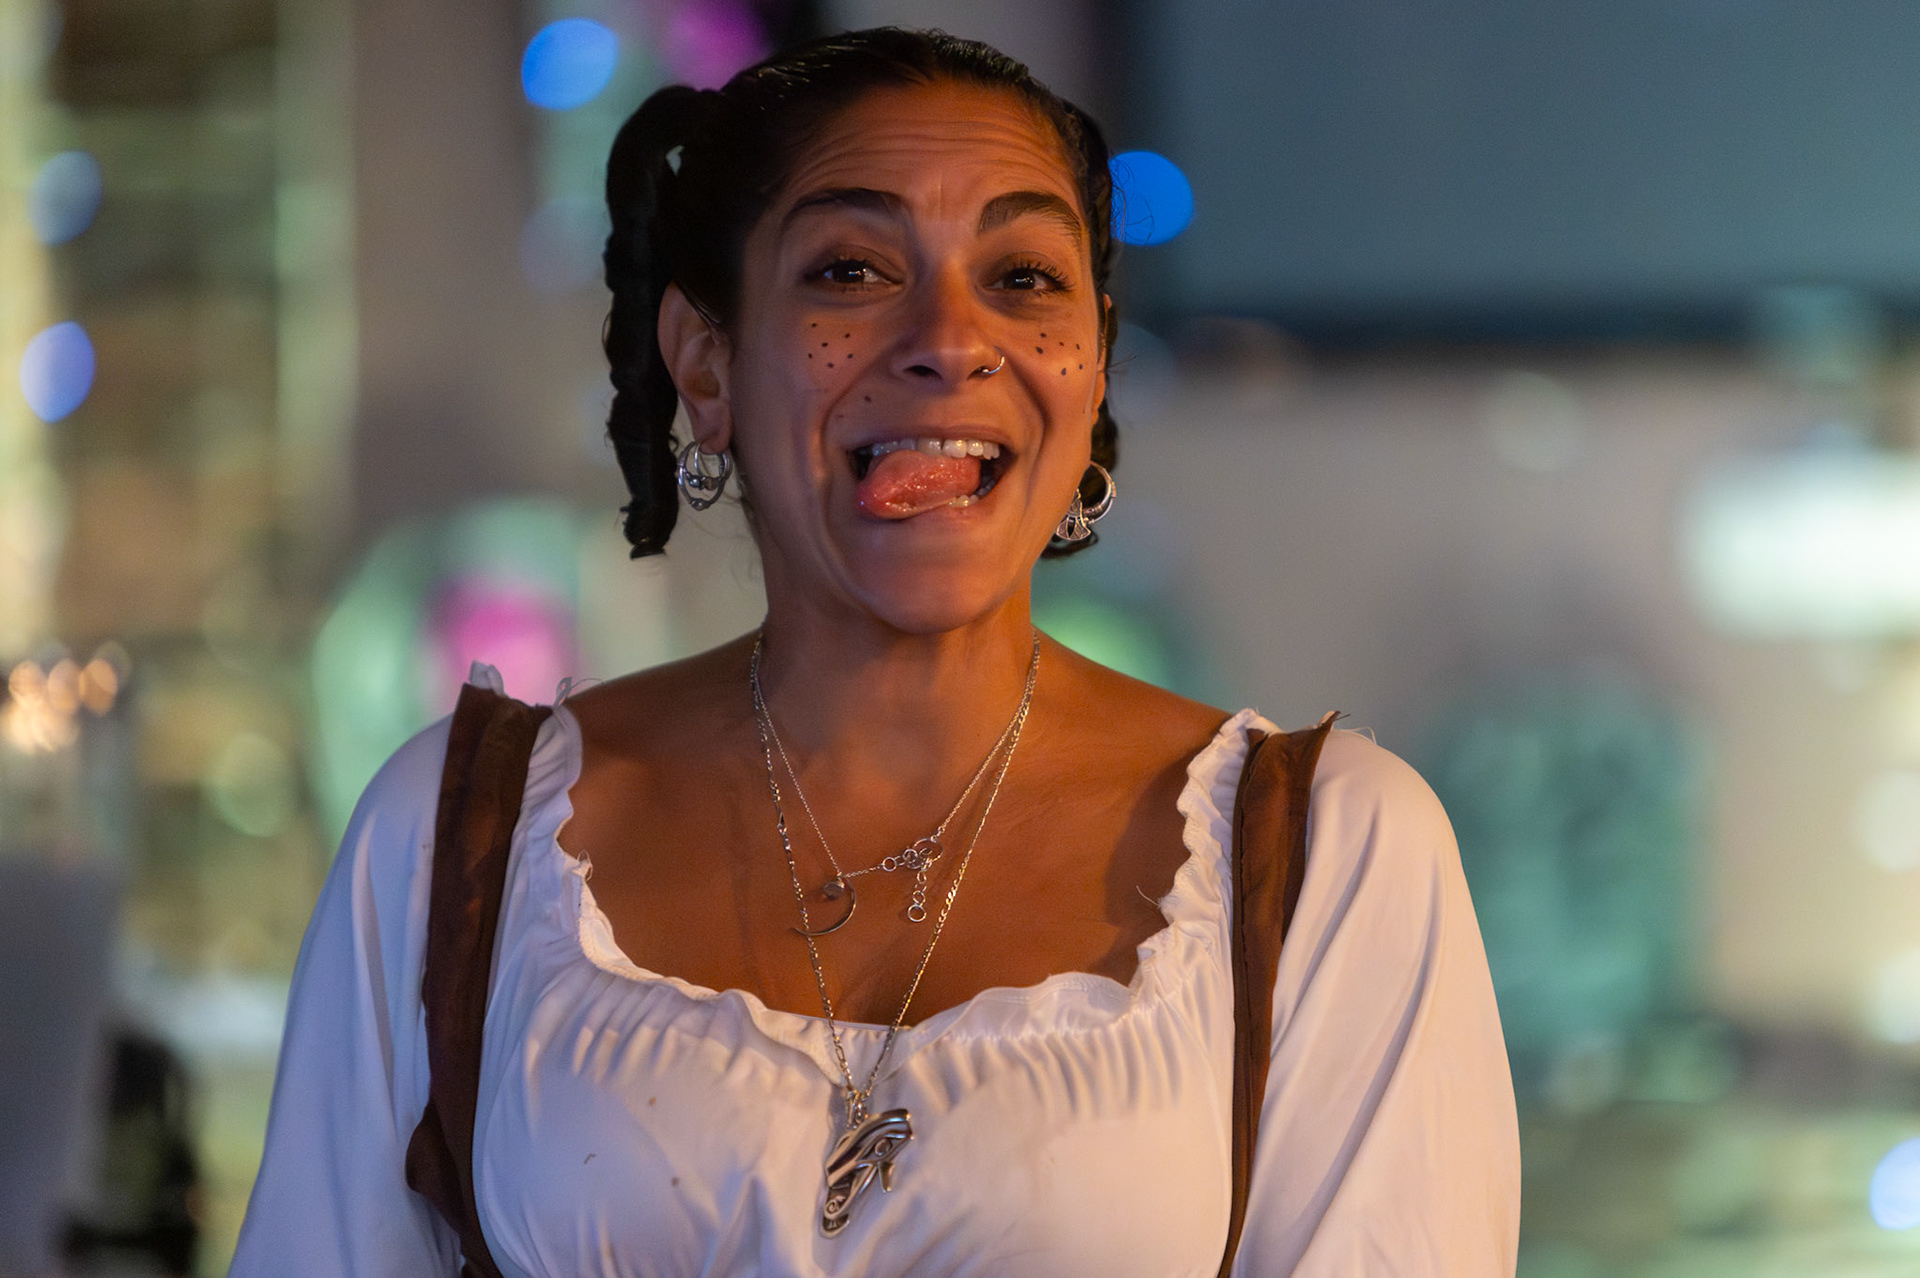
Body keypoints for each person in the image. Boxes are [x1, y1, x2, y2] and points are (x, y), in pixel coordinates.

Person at [233, 28, 1518, 1276]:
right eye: (851, 270)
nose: (951, 340)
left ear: (1092, 373)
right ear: (707, 364)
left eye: (1025, 278)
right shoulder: (462, 834)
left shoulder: (1323, 856)